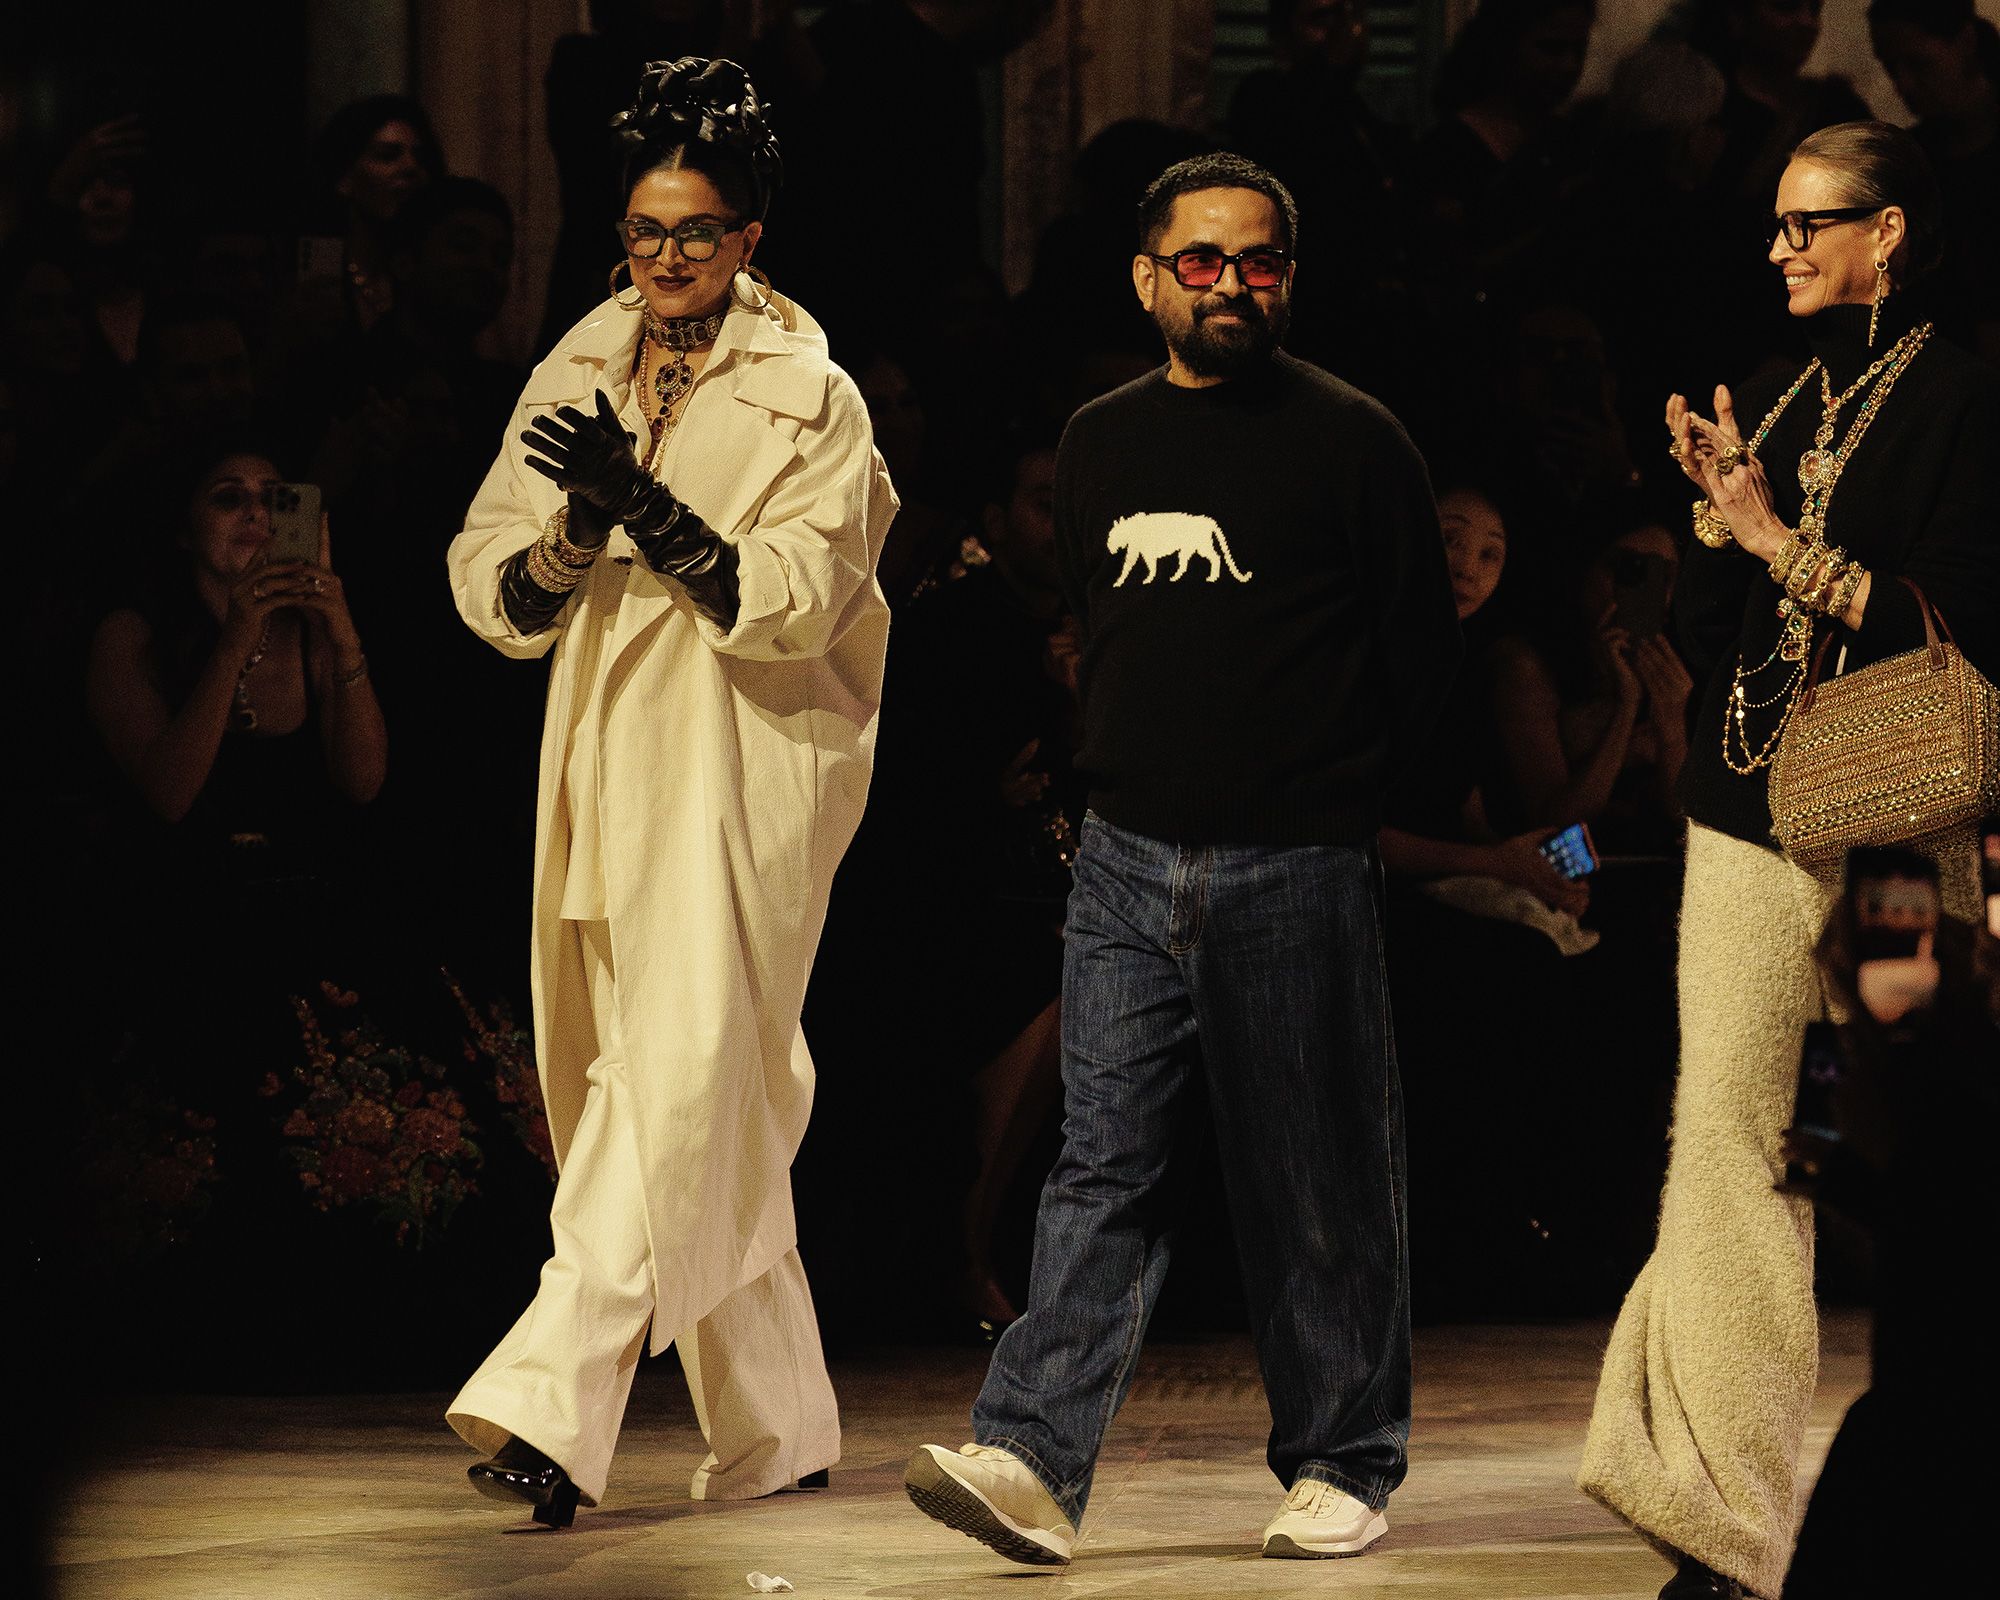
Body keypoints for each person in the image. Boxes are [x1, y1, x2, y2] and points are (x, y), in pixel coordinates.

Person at [904, 151, 1459, 1567]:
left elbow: (1417, 664)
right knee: (1101, 1162)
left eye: (1257, 259)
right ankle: (1031, 1454)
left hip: (1296, 858)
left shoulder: (1356, 439)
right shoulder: (1098, 440)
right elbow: (1110, 630)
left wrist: (1329, 806)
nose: (1230, 283)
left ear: (1291, 271)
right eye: (1199, 261)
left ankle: (1345, 1458)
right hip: (1126, 856)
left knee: (1317, 1170)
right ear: (1150, 277)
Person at [442, 57, 895, 1529]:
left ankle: (549, 1397)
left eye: (699, 230)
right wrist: (577, 532)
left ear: (752, 234)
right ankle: (781, 1420)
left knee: (681, 1070)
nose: (670, 257)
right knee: (692, 1083)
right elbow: (488, 578)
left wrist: (654, 514)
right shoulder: (577, 363)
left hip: (744, 758)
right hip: (604, 750)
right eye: (647, 229)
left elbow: (802, 597)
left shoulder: (809, 392)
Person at [1578, 121, 2000, 1600]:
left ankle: (1956, 1463)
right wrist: (1717, 514)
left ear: (1890, 233)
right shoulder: (1766, 393)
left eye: (1811, 226)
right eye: (1774, 226)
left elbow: (1956, 623)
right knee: (1729, 1147)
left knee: (1927, 1133)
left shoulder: (1965, 401)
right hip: (1748, 815)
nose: (1780, 250)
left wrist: (1769, 537)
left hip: (1901, 816)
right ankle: (1714, 1522)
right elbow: (1711, 616)